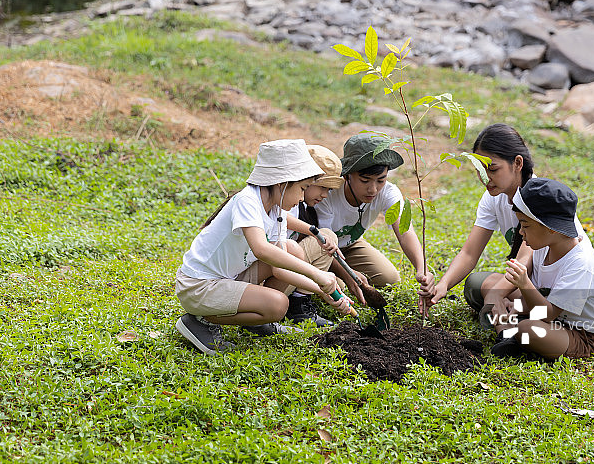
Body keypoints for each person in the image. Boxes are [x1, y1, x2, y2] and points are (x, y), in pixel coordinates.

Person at [175, 139, 351, 355]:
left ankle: (255, 320)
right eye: (302, 188)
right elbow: (261, 249)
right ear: (282, 183)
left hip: (226, 279)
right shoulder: (247, 200)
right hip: (198, 286)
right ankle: (200, 319)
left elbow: (279, 267)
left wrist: (324, 290)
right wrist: (317, 274)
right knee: (277, 305)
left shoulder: (276, 211)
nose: (303, 197)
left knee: (291, 251)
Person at [417, 123, 536, 324]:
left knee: (493, 291)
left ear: (517, 163)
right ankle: (521, 313)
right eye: (480, 170)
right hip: (526, 286)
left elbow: (524, 263)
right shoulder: (493, 198)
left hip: (554, 289)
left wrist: (496, 296)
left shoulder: (539, 197)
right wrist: (443, 285)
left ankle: (536, 317)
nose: (485, 178)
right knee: (475, 284)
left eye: (493, 169)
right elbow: (469, 253)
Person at [488, 178, 594, 360]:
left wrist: (524, 284)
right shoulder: (543, 243)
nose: (520, 232)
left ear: (551, 228)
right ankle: (505, 336)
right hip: (544, 306)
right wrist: (517, 304)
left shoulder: (582, 265)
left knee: (528, 329)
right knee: (489, 284)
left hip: (577, 332)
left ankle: (511, 333)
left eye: (526, 225)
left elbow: (548, 314)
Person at [314, 134, 433, 304]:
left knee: (389, 278)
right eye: (365, 180)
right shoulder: (328, 195)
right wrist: (348, 275)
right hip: (323, 250)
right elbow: (320, 244)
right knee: (338, 284)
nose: (373, 189)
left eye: (381, 180)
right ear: (347, 175)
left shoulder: (388, 193)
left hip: (351, 245)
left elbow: (405, 231)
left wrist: (422, 269)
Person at [284, 144, 364, 326]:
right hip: (270, 277)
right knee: (327, 235)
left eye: (329, 190)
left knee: (338, 284)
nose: (325, 195)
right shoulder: (284, 203)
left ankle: (301, 297)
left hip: (282, 272)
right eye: (322, 187)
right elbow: (279, 218)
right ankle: (298, 305)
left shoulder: (304, 208)